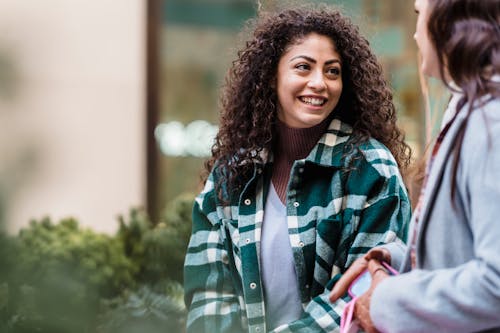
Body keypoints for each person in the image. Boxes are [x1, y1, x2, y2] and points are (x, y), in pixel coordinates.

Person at [184, 5, 412, 333]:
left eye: (332, 71)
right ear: (270, 76)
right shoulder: (229, 176)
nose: (319, 83)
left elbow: (361, 295)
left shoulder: (371, 169)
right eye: (303, 67)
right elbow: (207, 292)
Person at [330, 0, 500, 332]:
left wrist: (387, 300)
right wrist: (391, 257)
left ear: (450, 22)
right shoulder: (469, 111)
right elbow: (461, 243)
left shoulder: (490, 121)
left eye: (419, 16)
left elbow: (495, 281)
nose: (415, 34)